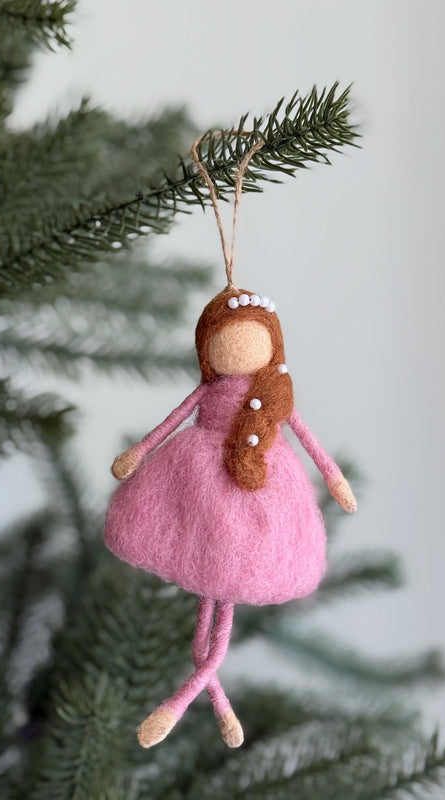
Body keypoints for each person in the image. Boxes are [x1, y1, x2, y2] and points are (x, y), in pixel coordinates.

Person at [105, 286, 357, 748]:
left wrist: (336, 480)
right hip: (198, 483)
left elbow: (307, 438)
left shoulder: (275, 394)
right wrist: (137, 454)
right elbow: (172, 420)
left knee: (221, 605)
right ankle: (213, 699)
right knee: (207, 614)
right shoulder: (208, 390)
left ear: (272, 345)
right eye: (223, 340)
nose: (236, 351)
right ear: (207, 349)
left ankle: (188, 701)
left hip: (263, 487)